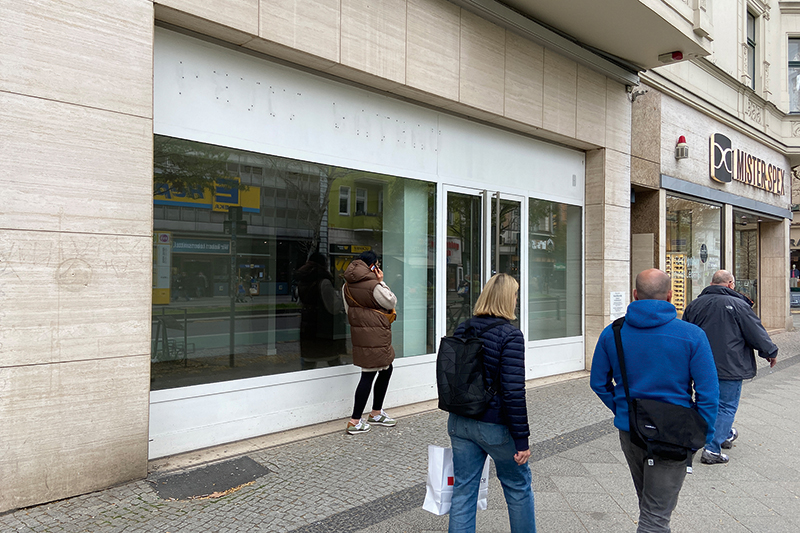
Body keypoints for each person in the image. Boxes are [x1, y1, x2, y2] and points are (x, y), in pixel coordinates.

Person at [591, 269, 719, 533]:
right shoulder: (692, 335)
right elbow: (708, 393)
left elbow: (598, 383)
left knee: (649, 506)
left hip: (631, 432)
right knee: (655, 515)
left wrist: (624, 411)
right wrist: (702, 433)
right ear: (670, 295)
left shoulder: (613, 333)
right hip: (675, 433)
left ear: (635, 294)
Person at [448, 273, 535, 533]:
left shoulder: (463, 328)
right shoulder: (511, 336)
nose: (517, 300)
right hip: (494, 425)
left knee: (463, 491)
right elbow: (513, 392)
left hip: (461, 421)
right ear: (508, 299)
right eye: (515, 295)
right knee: (518, 488)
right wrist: (522, 440)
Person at [682, 269, 778, 465]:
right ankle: (712, 449)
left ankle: (723, 434)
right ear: (730, 284)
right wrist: (770, 351)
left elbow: (685, 334)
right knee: (726, 405)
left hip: (701, 365)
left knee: (706, 402)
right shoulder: (738, 304)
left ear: (712, 283)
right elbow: (755, 331)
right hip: (730, 364)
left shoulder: (695, 305)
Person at [342, 251, 398, 435]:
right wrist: (381, 281)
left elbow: (348, 309)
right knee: (368, 373)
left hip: (361, 332)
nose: (379, 268)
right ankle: (355, 421)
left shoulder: (346, 286)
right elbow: (391, 301)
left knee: (386, 368)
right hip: (375, 333)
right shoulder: (374, 285)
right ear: (372, 266)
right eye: (377, 265)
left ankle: (376, 412)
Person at [295, 252, 345, 370]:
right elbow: (334, 307)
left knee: (309, 363)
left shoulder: (302, 281)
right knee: (332, 360)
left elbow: (299, 301)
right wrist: (341, 296)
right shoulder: (324, 282)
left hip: (307, 327)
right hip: (322, 328)